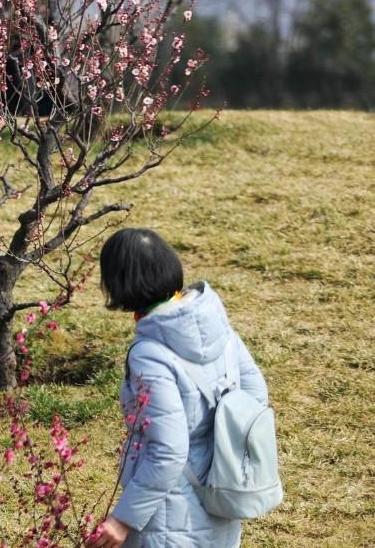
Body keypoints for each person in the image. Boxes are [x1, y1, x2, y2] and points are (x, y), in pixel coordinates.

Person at [90, 228, 270, 548]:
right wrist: (223, 453)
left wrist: (123, 520)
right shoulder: (213, 321)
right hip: (222, 493)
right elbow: (255, 395)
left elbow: (169, 449)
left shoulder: (149, 353)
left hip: (169, 515)